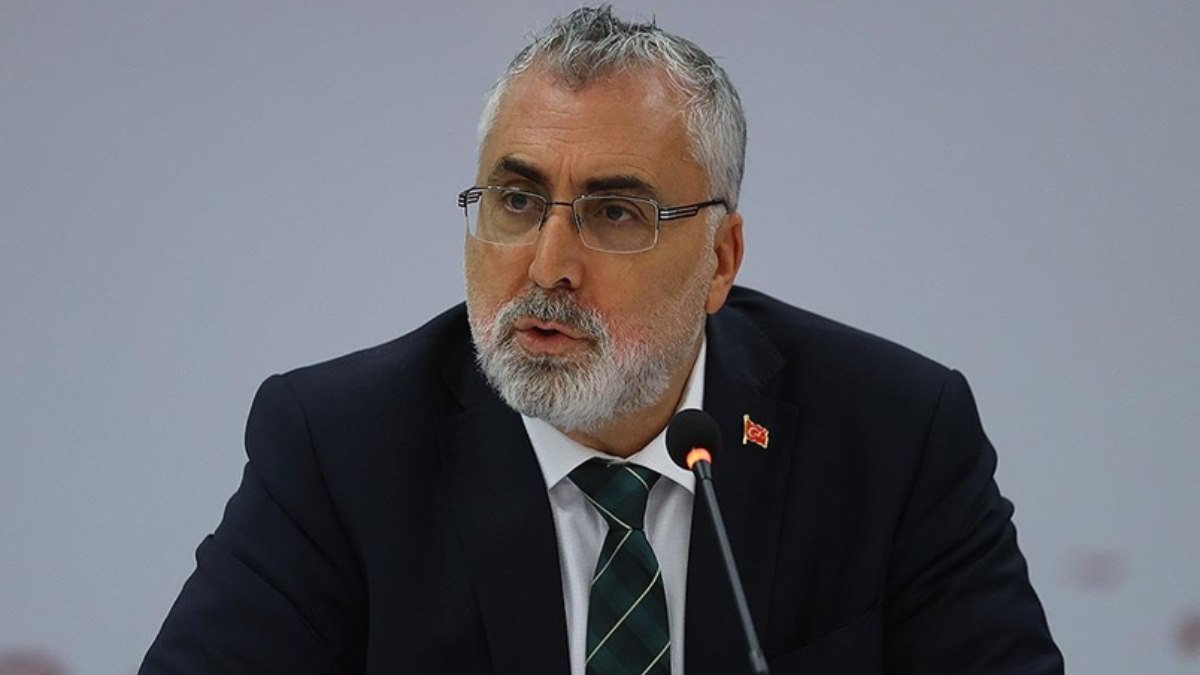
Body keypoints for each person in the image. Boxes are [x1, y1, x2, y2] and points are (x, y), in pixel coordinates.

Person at [140, 6, 1063, 674]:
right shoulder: (340, 449)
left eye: (615, 212)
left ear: (720, 259)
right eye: (516, 200)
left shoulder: (895, 437)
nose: (549, 266)